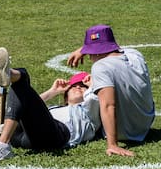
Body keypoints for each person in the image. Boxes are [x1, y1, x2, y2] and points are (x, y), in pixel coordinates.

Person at [0, 54, 101, 162]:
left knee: (21, 81)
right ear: (65, 97)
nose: (79, 88)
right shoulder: (55, 108)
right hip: (24, 136)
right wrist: (52, 91)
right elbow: (26, 103)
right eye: (74, 86)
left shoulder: (89, 112)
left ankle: (1, 145)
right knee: (20, 87)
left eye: (83, 86)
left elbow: (94, 98)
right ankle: (9, 74)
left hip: (55, 136)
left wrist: (93, 85)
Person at [61, 25, 155, 157]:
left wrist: (112, 144)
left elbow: (108, 105)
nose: (89, 56)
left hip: (126, 132)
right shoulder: (135, 55)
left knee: (95, 97)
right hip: (144, 123)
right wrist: (84, 49)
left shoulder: (101, 67)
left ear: (97, 52)